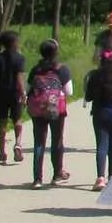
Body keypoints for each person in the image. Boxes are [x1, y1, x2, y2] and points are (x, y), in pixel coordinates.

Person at [25, 38, 74, 189]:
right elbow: (69, 92)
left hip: (38, 109)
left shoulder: (36, 69)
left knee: (39, 142)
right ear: (56, 52)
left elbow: (27, 90)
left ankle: (37, 179)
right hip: (56, 109)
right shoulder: (62, 69)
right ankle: (57, 174)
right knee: (57, 140)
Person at [85, 49, 112, 191]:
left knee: (101, 146)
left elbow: (88, 97)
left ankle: (100, 178)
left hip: (99, 114)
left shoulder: (95, 76)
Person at [0, 30, 27, 165]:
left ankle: (2, 152)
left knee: (2, 122)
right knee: (18, 119)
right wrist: (24, 94)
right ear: (14, 43)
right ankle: (17, 144)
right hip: (15, 92)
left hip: (1, 92)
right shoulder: (19, 58)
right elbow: (20, 79)